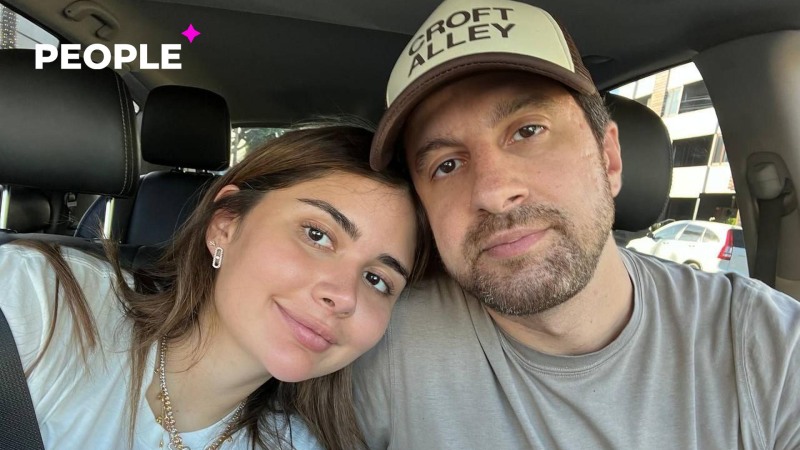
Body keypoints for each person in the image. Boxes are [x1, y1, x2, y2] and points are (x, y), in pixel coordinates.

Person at [354, 0, 800, 448]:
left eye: (528, 131)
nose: (491, 192)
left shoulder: (770, 347)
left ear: (608, 158)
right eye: (446, 165)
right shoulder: (372, 344)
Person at [0, 124, 430, 449]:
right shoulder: (39, 304)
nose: (344, 295)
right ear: (226, 224)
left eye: (377, 279)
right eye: (317, 234)